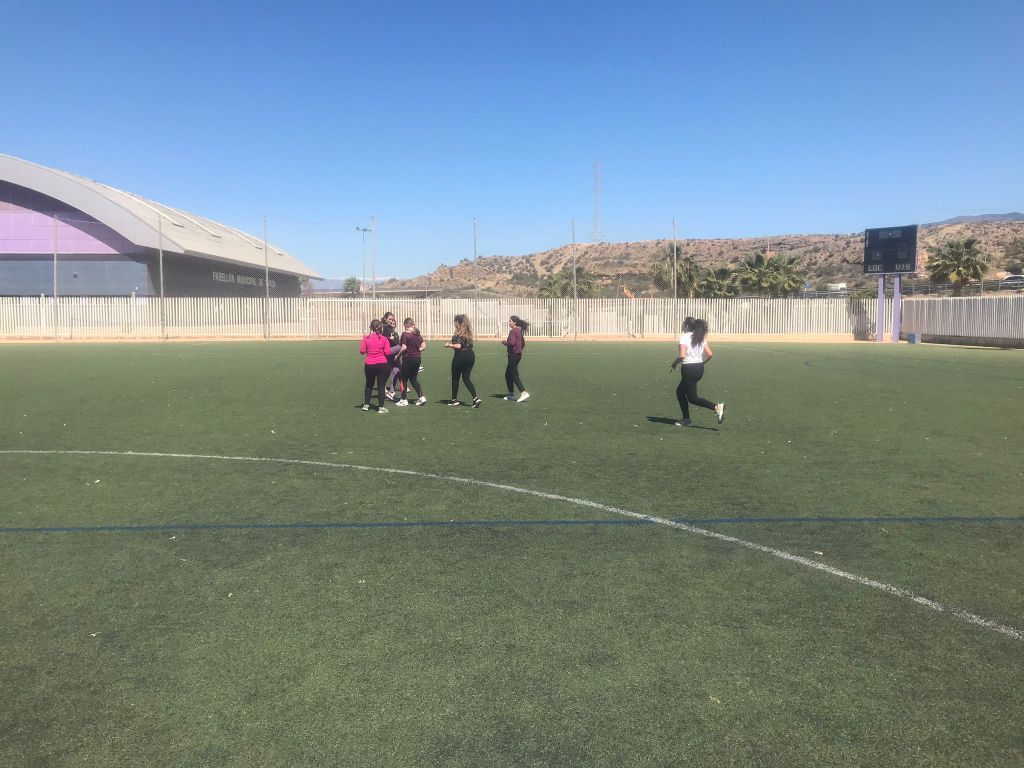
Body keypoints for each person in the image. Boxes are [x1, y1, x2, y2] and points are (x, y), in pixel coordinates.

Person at [669, 316, 725, 426]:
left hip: (689, 369)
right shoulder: (700, 336)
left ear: (686, 326)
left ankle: (716, 407)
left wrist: (674, 363)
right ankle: (686, 419)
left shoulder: (684, 337)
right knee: (680, 392)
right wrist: (701, 364)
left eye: (683, 323)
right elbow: (710, 354)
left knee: (692, 398)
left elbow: (682, 356)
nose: (682, 325)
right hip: (699, 369)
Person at [444, 314, 481, 407]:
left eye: (454, 322)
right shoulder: (468, 333)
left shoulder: (457, 334)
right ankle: (475, 398)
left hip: (460, 357)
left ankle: (454, 400)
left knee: (455, 378)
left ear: (457, 322)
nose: (454, 324)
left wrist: (449, 345)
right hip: (470, 356)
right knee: (466, 378)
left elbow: (458, 346)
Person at [360, 319, 391, 413]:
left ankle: (366, 404)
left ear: (370, 327)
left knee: (369, 384)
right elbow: (388, 352)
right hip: (382, 364)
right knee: (381, 386)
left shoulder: (366, 338)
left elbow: (362, 351)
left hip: (369, 364)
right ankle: (381, 407)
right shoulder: (384, 339)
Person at [395, 317, 427, 406]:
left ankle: (403, 400)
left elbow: (404, 347)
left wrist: (398, 356)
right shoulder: (417, 334)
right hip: (417, 359)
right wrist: (416, 351)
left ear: (406, 324)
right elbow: (424, 346)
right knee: (413, 379)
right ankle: (421, 397)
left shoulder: (405, 334)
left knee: (403, 379)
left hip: (408, 359)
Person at [501, 315, 530, 402]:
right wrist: (519, 349)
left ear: (514, 322)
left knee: (513, 375)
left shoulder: (513, 331)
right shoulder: (519, 331)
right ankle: (511, 395)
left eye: (510, 321)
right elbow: (523, 343)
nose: (509, 322)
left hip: (513, 355)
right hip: (517, 355)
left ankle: (523, 392)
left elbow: (511, 343)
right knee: (508, 374)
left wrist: (504, 342)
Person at [380, 312, 402, 400]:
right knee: (401, 347)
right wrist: (390, 339)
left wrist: (395, 338)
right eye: (389, 319)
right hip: (387, 352)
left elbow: (395, 339)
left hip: (393, 353)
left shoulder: (390, 328)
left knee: (396, 370)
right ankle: (382, 389)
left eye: (392, 319)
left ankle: (391, 392)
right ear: (385, 319)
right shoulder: (383, 328)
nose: (391, 321)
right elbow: (381, 338)